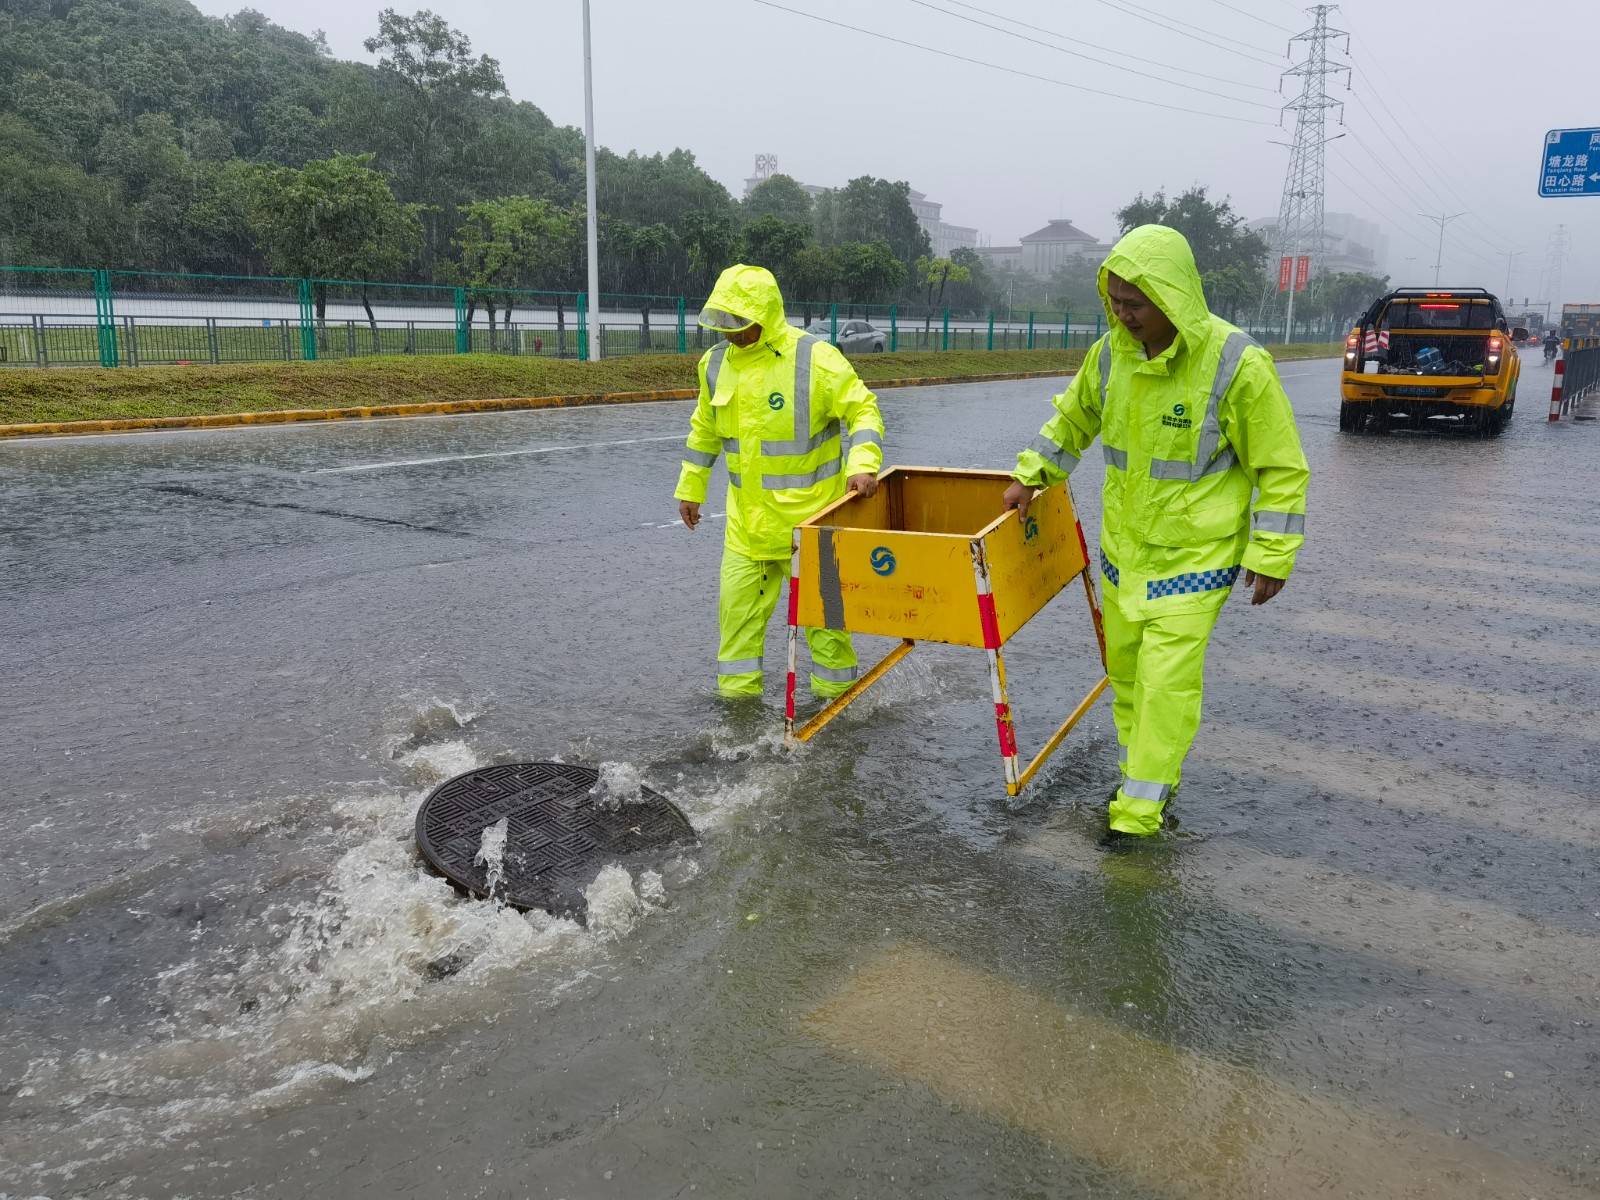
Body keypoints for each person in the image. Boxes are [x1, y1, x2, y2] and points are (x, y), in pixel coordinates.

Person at [1001, 225, 1309, 844]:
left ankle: (1138, 814)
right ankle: (1142, 777)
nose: (1123, 314)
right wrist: (1030, 475)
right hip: (1124, 553)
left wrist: (1272, 554)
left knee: (1165, 685)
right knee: (1127, 676)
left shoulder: (1236, 364)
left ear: (1172, 297)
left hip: (1196, 559)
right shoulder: (1110, 354)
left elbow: (1280, 467)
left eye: (1135, 303)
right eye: (1114, 301)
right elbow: (1074, 418)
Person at [676, 263, 885, 699]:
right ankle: (738, 713)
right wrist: (691, 490)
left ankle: (838, 710)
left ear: (766, 314)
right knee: (736, 629)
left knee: (828, 631)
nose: (731, 331)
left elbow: (863, 409)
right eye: (724, 320)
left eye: (740, 320)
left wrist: (863, 464)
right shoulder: (714, 364)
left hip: (814, 528)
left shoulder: (815, 358)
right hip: (745, 529)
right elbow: (704, 431)